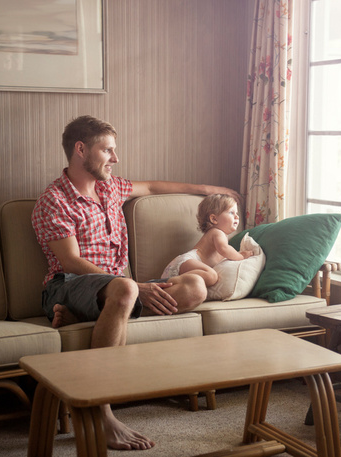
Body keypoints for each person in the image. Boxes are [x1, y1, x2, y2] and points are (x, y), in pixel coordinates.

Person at [31, 115, 239, 451]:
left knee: (194, 288)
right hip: (66, 283)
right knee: (127, 288)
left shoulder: (110, 187)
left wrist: (209, 190)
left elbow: (154, 188)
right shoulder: (54, 201)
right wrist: (132, 286)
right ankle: (102, 412)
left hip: (117, 289)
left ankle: (88, 314)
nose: (115, 158)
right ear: (81, 150)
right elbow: (70, 261)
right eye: (108, 150)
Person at [161, 194, 253, 286]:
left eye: (236, 213)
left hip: (187, 266)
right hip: (187, 261)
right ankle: (167, 282)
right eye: (231, 212)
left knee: (209, 278)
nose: (237, 217)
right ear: (214, 219)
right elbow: (224, 249)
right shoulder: (217, 232)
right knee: (211, 276)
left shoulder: (221, 236)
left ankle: (174, 284)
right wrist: (241, 256)